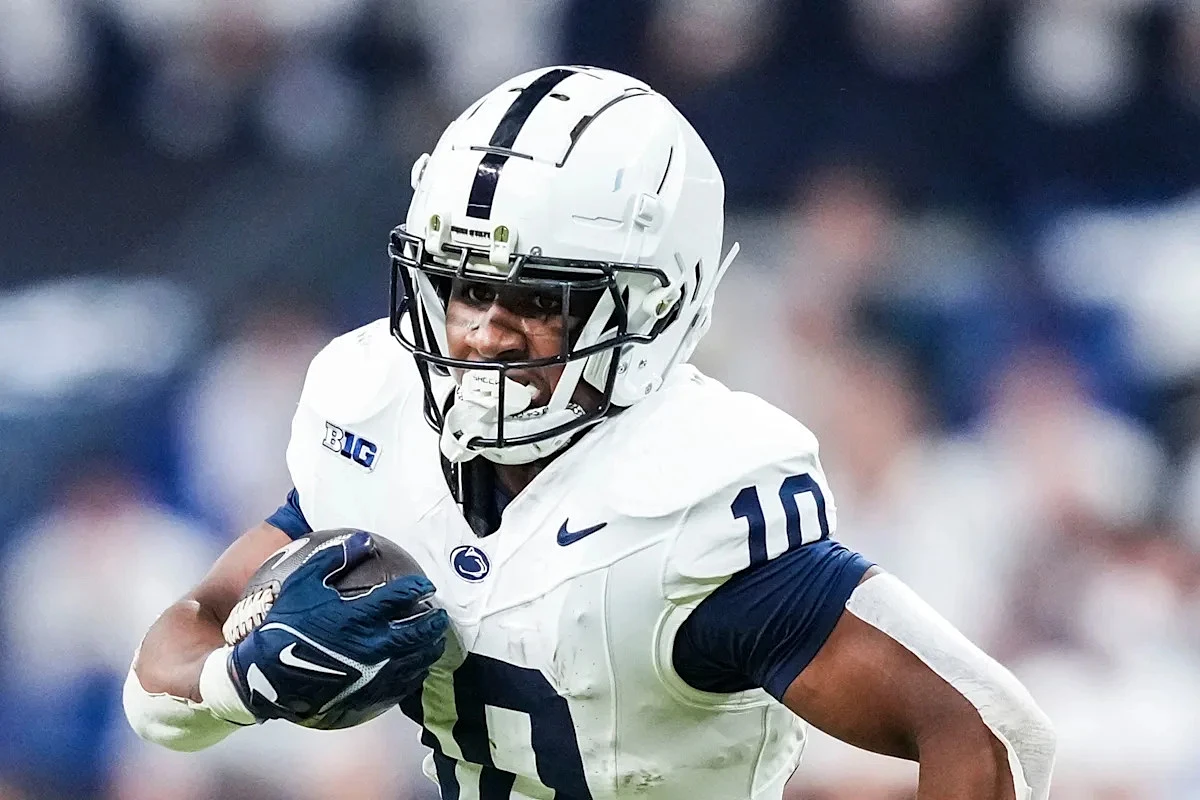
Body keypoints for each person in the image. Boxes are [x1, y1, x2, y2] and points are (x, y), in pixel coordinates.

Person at [123, 66, 1056, 799]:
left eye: (537, 299)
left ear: (656, 305)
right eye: (463, 286)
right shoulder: (377, 417)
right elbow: (168, 662)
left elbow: (986, 729)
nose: (484, 333)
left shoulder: (689, 507)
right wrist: (239, 683)